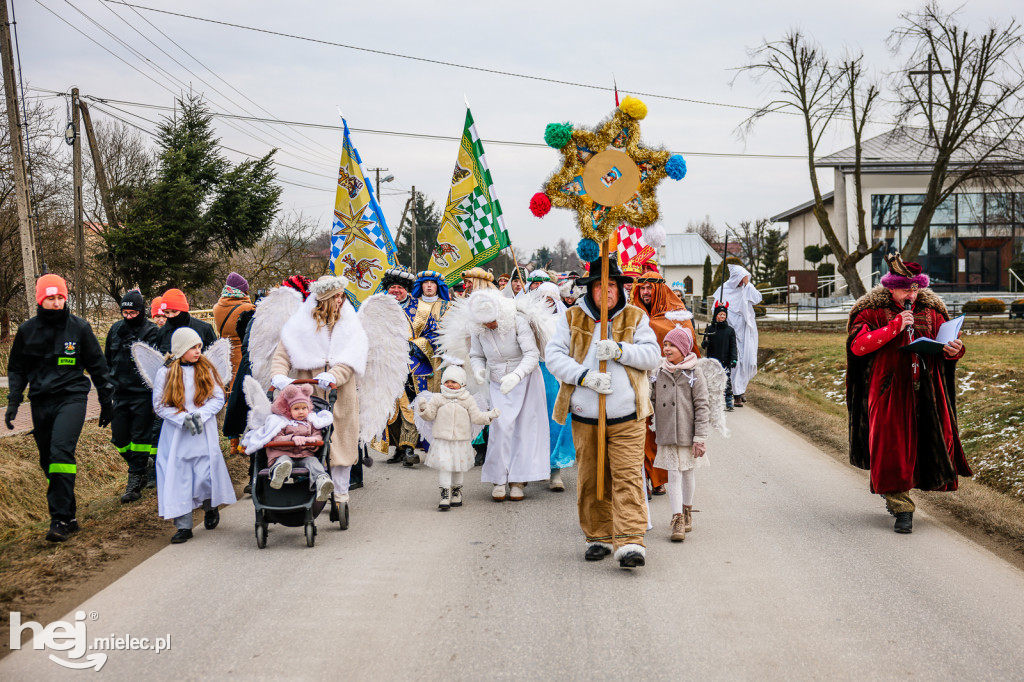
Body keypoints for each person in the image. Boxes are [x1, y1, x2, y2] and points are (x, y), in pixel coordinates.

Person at [546, 256, 660, 568]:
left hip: (627, 417)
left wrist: (621, 351)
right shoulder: (571, 318)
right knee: (591, 479)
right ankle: (597, 535)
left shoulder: (636, 317)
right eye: (600, 286)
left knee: (626, 478)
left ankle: (630, 542)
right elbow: (553, 355)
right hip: (586, 416)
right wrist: (584, 376)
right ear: (590, 290)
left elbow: (652, 356)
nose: (606, 291)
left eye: (611, 285)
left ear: (619, 289)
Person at [846, 256, 970, 534]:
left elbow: (947, 345)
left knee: (933, 441)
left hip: (928, 389)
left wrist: (955, 350)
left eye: (915, 289)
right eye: (906, 290)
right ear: (891, 288)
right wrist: (895, 327)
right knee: (892, 449)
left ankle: (914, 487)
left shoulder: (931, 311)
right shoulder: (872, 312)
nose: (912, 295)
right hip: (889, 390)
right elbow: (858, 347)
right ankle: (901, 506)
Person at [6, 274, 115, 542]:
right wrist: (13, 400)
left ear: (65, 298)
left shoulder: (79, 328)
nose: (56, 303)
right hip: (41, 402)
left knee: (60, 453)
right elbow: (17, 369)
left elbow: (98, 367)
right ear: (40, 300)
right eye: (50, 298)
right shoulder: (26, 331)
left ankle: (60, 519)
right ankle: (70, 513)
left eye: (60, 298)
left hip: (72, 398)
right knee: (48, 461)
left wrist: (106, 400)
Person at [270, 275, 367, 515]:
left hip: (340, 395)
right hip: (308, 396)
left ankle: (341, 496)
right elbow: (281, 355)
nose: (341, 300)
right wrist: (279, 376)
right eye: (336, 296)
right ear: (323, 300)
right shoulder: (299, 324)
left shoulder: (349, 323)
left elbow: (353, 357)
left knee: (341, 444)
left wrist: (335, 374)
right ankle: (311, 489)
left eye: (341, 296)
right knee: (307, 442)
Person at [151, 327, 235, 544]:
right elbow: (159, 405)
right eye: (192, 347)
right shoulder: (166, 373)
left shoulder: (205, 369)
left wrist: (200, 415)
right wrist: (182, 419)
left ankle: (210, 507)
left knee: (204, 474)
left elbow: (217, 398)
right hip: (177, 436)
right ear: (180, 349)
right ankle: (184, 525)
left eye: (199, 347)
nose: (198, 351)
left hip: (202, 433)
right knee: (179, 477)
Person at [467, 289, 550, 501]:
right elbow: (476, 354)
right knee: (501, 428)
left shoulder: (517, 322)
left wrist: (517, 375)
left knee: (524, 429)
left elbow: (532, 354)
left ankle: (518, 480)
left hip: (526, 380)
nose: (489, 326)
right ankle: (498, 478)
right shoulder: (478, 328)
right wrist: (478, 370)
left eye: (492, 321)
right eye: (485, 323)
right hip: (498, 384)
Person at [630, 264, 699, 496]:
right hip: (639, 383)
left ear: (659, 291)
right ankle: (644, 478)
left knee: (663, 434)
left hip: (668, 387)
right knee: (642, 433)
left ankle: (659, 478)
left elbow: (692, 355)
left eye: (650, 288)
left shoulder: (678, 318)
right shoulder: (632, 315)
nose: (646, 292)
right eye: (642, 288)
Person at [651, 327, 709, 542]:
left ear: (684, 349)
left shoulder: (694, 373)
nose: (667, 349)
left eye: (672, 345)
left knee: (687, 472)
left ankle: (686, 511)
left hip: (687, 433)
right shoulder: (659, 371)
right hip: (667, 432)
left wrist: (700, 437)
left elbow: (702, 405)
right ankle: (676, 519)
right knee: (673, 474)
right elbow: (653, 399)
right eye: (665, 344)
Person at [417, 365, 499, 510]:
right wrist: (423, 409)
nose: (450, 384)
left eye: (453, 382)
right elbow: (429, 416)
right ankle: (444, 495)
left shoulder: (467, 399)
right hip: (442, 441)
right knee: (445, 468)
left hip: (460, 442)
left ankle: (456, 492)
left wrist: (489, 416)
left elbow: (477, 417)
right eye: (447, 381)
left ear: (462, 384)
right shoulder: (438, 398)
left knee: (457, 469)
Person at [105, 290, 160, 503]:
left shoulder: (151, 331)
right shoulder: (115, 329)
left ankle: (134, 482)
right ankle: (142, 464)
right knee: (119, 439)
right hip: (119, 394)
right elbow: (107, 360)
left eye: (133, 312)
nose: (128, 316)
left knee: (140, 440)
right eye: (125, 312)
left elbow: (155, 365)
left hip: (142, 395)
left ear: (141, 311)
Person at [241, 383, 335, 501]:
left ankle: (322, 481)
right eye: (296, 409)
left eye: (304, 408)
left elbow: (318, 436)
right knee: (283, 461)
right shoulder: (282, 422)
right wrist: (291, 438)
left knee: (314, 463)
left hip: (304, 455)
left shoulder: (311, 422)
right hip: (284, 454)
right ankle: (279, 473)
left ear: (308, 408)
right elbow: (276, 438)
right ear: (288, 409)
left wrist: (313, 440)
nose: (301, 412)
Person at [534, 282, 576, 491]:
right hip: (534, 372)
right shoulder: (529, 319)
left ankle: (555, 470)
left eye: (550, 298)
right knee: (533, 421)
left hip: (556, 376)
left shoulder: (565, 320)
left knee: (556, 420)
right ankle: (530, 468)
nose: (546, 302)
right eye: (543, 297)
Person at [380, 266, 420, 465]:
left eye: (400, 287)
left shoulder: (420, 309)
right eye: (392, 287)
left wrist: (415, 346)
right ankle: (397, 447)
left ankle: (409, 447)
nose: (396, 291)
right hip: (387, 364)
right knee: (390, 407)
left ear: (407, 289)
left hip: (411, 367)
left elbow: (431, 334)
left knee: (409, 406)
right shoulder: (379, 308)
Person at [712, 265, 761, 405]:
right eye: (740, 280)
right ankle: (735, 393)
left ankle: (739, 390)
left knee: (745, 361)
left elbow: (757, 298)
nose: (741, 283)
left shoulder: (746, 289)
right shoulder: (724, 290)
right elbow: (715, 311)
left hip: (745, 332)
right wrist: (719, 308)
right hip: (729, 332)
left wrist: (747, 283)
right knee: (733, 362)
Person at [212, 272, 255, 383]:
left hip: (225, 352)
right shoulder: (248, 308)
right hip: (242, 355)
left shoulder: (216, 307)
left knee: (228, 384)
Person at [701, 302, 738, 411]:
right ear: (715, 315)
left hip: (725, 360)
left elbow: (733, 346)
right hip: (712, 360)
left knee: (726, 380)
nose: (722, 316)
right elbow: (704, 344)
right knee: (711, 381)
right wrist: (705, 343)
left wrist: (734, 358)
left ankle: (728, 400)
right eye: (720, 314)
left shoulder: (730, 331)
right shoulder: (710, 329)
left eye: (724, 315)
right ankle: (710, 401)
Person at [157, 288, 217, 354]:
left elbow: (215, 355)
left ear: (183, 310)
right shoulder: (162, 332)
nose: (171, 316)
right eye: (167, 312)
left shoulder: (204, 329)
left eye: (174, 311)